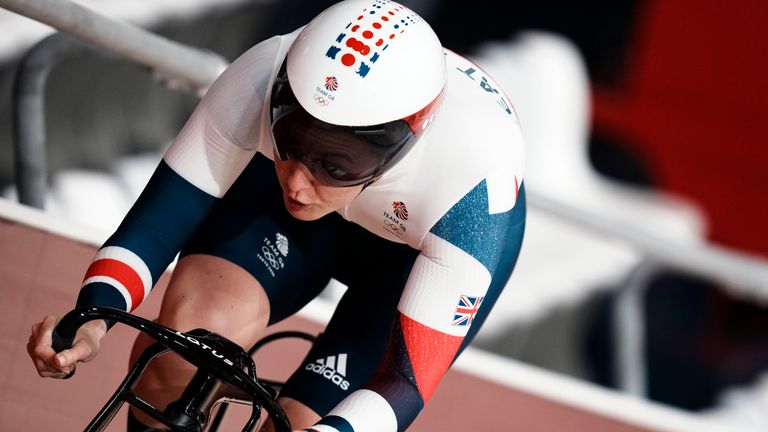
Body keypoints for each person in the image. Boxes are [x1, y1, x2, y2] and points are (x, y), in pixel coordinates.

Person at [27, 0, 526, 430]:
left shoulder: (474, 187)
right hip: (289, 225)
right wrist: (91, 319)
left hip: (410, 256)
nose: (297, 184)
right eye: (288, 144)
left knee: (307, 421)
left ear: (403, 144)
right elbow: (154, 227)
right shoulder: (259, 76)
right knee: (186, 345)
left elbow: (403, 383)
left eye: (335, 165)